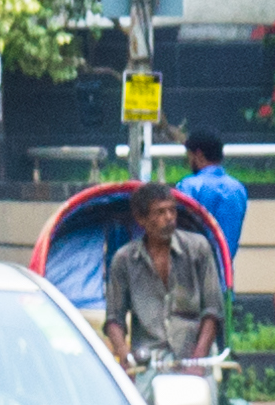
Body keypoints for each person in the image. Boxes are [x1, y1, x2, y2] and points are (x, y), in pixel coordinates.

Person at [103, 178, 227, 371]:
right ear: (141, 219)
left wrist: (198, 360)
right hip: (148, 361)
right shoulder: (124, 260)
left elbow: (212, 311)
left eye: (172, 210)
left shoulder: (198, 248)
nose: (169, 217)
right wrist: (124, 355)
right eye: (160, 212)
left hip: (194, 355)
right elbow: (114, 319)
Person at [178, 130, 250, 270]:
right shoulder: (237, 188)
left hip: (193, 272)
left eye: (189, 155)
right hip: (225, 273)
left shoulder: (189, 186)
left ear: (197, 154)